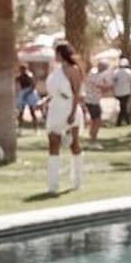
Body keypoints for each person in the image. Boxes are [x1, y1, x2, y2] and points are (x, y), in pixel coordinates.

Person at [44, 40, 84, 193]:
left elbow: (76, 93)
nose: (55, 56)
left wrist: (72, 113)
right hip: (55, 109)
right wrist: (45, 101)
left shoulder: (73, 70)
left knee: (74, 144)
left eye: (56, 53)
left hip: (69, 108)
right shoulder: (56, 70)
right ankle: (53, 185)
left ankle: (77, 181)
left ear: (61, 54)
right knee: (53, 144)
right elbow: (54, 92)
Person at [82, 59, 107, 141]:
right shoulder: (94, 73)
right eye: (104, 67)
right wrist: (108, 87)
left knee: (95, 118)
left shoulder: (98, 74)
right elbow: (98, 85)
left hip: (94, 99)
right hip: (91, 100)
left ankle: (92, 134)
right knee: (97, 119)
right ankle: (93, 136)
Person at [111, 55, 131, 126]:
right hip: (126, 92)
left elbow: (114, 82)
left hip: (118, 92)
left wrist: (113, 91)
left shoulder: (116, 72)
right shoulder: (129, 72)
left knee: (123, 107)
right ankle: (123, 122)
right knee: (123, 107)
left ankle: (123, 122)